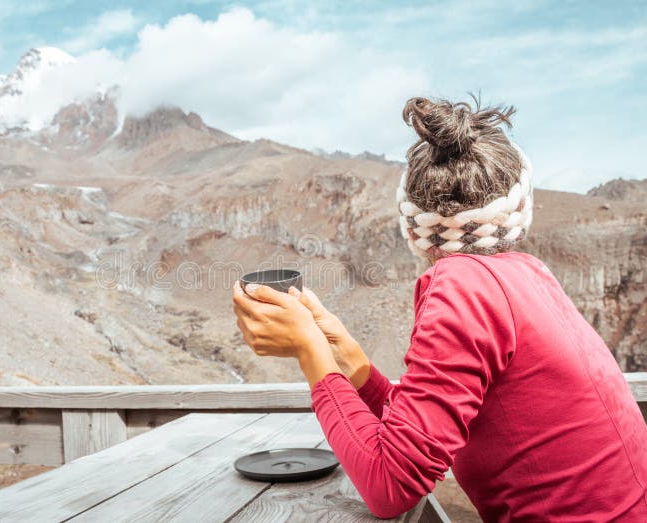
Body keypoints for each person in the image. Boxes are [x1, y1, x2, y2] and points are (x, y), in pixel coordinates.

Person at [232, 96, 647, 521]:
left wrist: (310, 351)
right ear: (520, 207)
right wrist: (345, 353)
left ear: (413, 224)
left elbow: (389, 485)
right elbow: (424, 429)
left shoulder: (464, 285)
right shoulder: (527, 275)